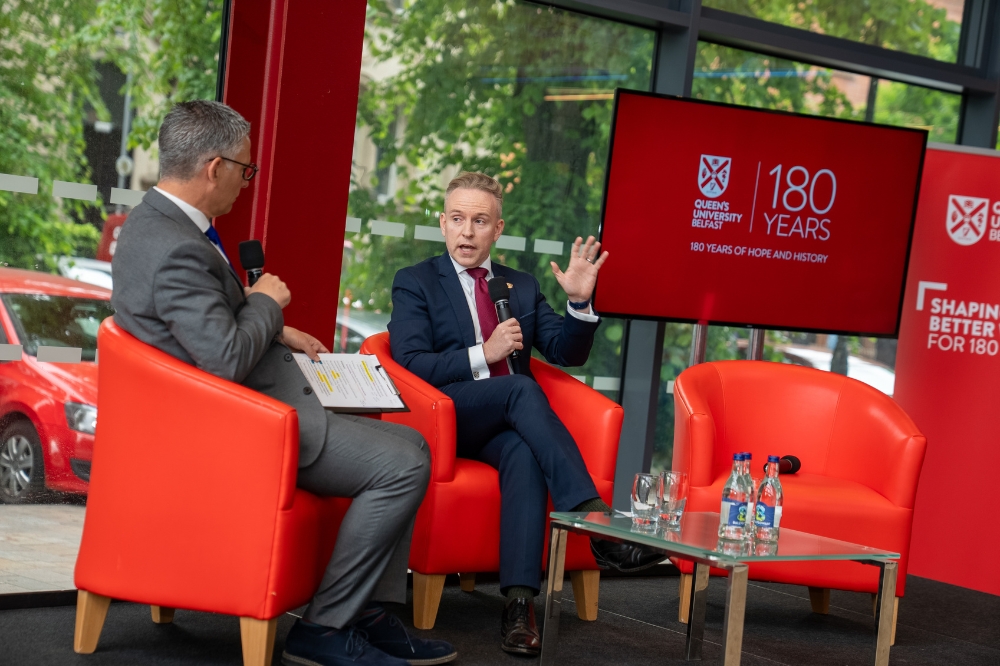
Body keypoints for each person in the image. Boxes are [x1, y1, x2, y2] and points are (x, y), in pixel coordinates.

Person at [111, 100, 456, 666]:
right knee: (405, 464)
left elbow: (201, 331)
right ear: (213, 167)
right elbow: (223, 360)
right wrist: (266, 304)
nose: (247, 184)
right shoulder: (176, 246)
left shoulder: (157, 226)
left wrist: (270, 323)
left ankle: (363, 608)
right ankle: (323, 630)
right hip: (246, 426)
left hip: (245, 406)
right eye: (245, 170)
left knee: (414, 441)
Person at [389, 172, 662, 657]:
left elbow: (565, 352)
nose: (467, 232)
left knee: (524, 454)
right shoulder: (416, 282)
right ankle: (591, 516)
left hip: (507, 425)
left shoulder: (520, 284)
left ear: (498, 228)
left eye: (479, 221)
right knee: (517, 386)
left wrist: (579, 301)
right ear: (442, 223)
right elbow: (411, 364)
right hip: (447, 416)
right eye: (457, 220)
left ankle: (518, 605)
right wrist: (484, 351)